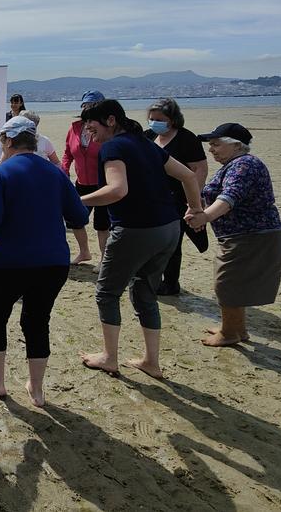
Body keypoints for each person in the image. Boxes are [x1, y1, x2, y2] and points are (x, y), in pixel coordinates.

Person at [0, 117, 89, 406]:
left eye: (2, 142)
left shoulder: (1, 174)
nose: (1, 147)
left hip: (7, 261)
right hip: (53, 262)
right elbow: (80, 217)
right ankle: (37, 389)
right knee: (37, 321)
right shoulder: (56, 174)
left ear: (9, 141)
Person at [76, 100, 203, 380]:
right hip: (169, 228)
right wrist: (194, 210)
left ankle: (109, 358)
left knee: (107, 293)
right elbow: (189, 176)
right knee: (145, 292)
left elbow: (117, 190)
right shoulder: (148, 144)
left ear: (111, 121)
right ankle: (151, 362)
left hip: (135, 229)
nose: (88, 131)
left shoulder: (113, 147)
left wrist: (76, 201)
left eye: (92, 125)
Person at [186, 123, 281, 346]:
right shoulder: (234, 164)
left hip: (251, 236)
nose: (211, 149)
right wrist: (199, 207)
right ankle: (236, 329)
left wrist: (205, 217)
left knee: (227, 284)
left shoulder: (244, 165)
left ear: (237, 146)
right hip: (244, 236)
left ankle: (229, 334)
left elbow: (229, 198)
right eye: (210, 145)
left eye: (215, 144)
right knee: (233, 284)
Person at [144, 98, 209, 296]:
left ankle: (171, 283)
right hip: (153, 200)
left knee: (173, 243)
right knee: (152, 242)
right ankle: (152, 278)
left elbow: (200, 170)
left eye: (159, 119)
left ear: (172, 119)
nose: (154, 122)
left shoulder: (187, 138)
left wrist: (193, 201)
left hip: (178, 199)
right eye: (151, 118)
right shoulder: (148, 136)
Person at [61, 90, 110, 264]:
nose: (87, 109)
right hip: (81, 183)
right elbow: (68, 153)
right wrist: (64, 170)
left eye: (92, 106)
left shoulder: (107, 131)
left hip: (103, 184)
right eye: (85, 106)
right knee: (75, 218)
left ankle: (105, 259)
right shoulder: (74, 128)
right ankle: (84, 252)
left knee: (102, 224)